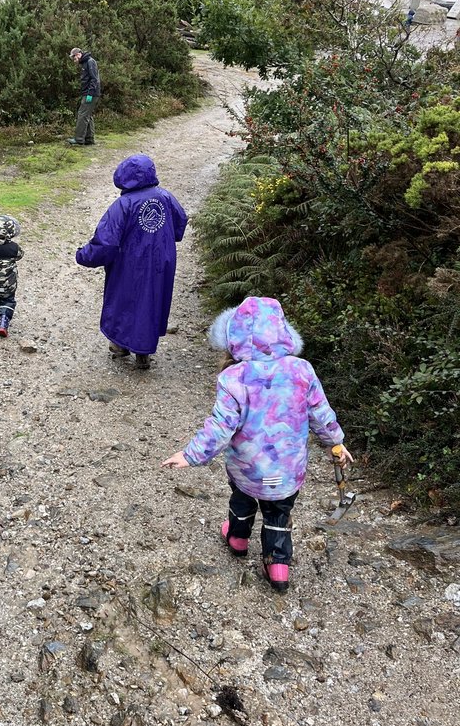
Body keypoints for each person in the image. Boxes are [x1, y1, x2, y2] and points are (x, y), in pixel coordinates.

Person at [161, 296, 352, 593]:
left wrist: (190, 455)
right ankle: (277, 566)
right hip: (288, 470)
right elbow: (320, 413)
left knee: (242, 500)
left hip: (247, 469)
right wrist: (336, 444)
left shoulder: (233, 378)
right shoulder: (302, 370)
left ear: (233, 337)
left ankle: (237, 539)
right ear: (284, 332)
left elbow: (220, 427)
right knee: (278, 512)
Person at [76, 154, 187, 369]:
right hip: (161, 262)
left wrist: (84, 255)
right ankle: (143, 351)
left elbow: (106, 242)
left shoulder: (123, 205)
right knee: (153, 301)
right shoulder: (165, 196)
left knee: (123, 300)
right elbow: (180, 221)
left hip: (130, 263)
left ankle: (120, 345)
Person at [68, 46, 101, 146]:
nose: (74, 60)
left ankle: (79, 139)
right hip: (88, 93)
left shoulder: (90, 62)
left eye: (74, 58)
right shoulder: (85, 63)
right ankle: (89, 139)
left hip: (91, 93)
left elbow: (94, 79)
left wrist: (90, 94)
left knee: (82, 115)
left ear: (78, 54)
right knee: (87, 115)